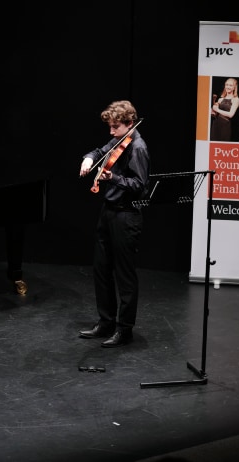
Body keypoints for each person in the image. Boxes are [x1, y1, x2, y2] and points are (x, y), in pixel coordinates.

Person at [77, 100, 150, 347]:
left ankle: (124, 330)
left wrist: (113, 178)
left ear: (129, 124)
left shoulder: (138, 147)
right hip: (108, 213)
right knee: (101, 270)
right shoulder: (119, 139)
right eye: (109, 127)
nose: (111, 132)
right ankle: (105, 322)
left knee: (125, 277)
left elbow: (140, 186)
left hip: (126, 216)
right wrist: (88, 159)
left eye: (115, 127)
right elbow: (100, 151)